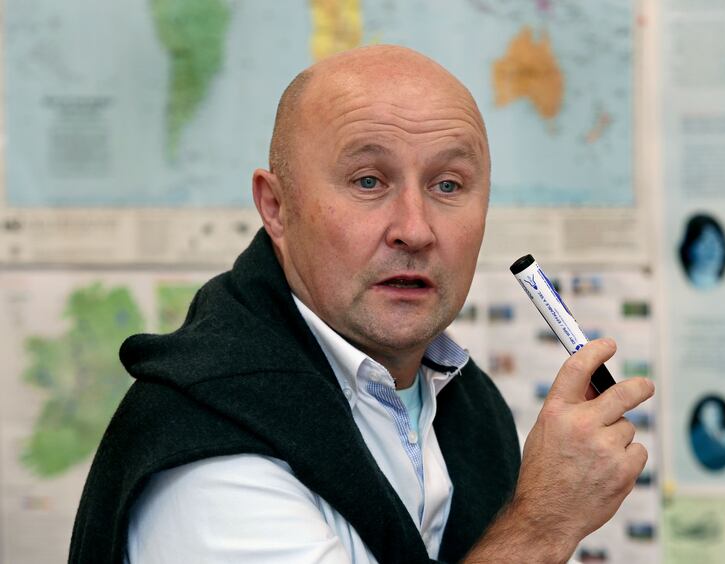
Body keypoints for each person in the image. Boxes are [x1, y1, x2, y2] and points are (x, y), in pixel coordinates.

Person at [69, 45, 654, 564]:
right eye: (368, 181)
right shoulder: (207, 448)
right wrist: (543, 525)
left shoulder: (470, 405)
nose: (415, 229)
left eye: (447, 185)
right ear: (276, 208)